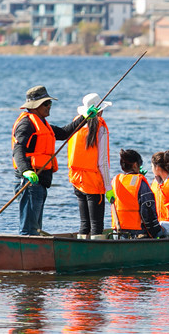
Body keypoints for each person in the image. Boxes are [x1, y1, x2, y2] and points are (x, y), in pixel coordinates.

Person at [12, 86, 94, 236]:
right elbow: (18, 150)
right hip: (29, 182)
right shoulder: (26, 124)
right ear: (36, 105)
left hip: (40, 182)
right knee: (29, 229)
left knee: (35, 228)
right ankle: (26, 256)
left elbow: (63, 133)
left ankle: (33, 256)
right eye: (46, 103)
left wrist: (85, 117)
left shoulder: (43, 123)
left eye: (50, 103)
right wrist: (26, 171)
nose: (50, 106)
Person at [67, 93, 112, 240]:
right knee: (96, 226)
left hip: (77, 179)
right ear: (100, 110)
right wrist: (108, 188)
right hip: (93, 182)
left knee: (84, 224)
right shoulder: (101, 128)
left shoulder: (77, 123)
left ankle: (80, 251)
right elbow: (102, 162)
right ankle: (96, 257)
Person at [110, 149, 163, 239]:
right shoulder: (140, 183)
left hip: (117, 232)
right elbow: (148, 212)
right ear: (135, 165)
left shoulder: (115, 180)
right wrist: (155, 232)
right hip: (136, 233)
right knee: (163, 232)